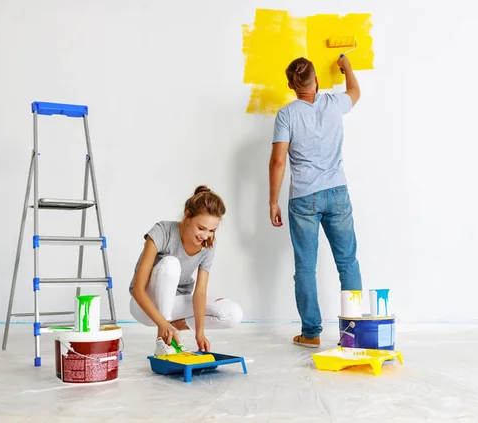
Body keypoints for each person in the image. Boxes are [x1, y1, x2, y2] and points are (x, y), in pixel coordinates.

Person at [268, 55, 362, 348]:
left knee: (306, 268)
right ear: (317, 80)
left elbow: (278, 161)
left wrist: (273, 201)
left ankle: (311, 334)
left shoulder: (286, 115)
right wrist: (346, 67)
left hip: (304, 198)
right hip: (337, 193)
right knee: (347, 262)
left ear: (290, 85)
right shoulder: (334, 103)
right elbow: (356, 93)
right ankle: (354, 332)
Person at [129, 185, 243, 355]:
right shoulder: (162, 231)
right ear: (187, 216)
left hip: (176, 302)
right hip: (144, 305)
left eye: (212, 230)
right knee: (171, 264)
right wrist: (162, 323)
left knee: (233, 313)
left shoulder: (208, 245)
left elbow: (200, 292)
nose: (205, 236)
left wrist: (199, 332)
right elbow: (138, 290)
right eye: (201, 228)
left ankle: (170, 329)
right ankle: (163, 337)